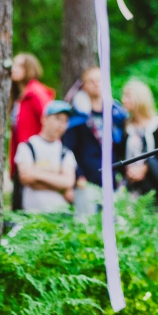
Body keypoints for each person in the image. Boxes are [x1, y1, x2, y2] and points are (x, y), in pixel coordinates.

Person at [63, 66, 129, 217]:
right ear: (84, 85)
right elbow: (68, 148)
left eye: (100, 80)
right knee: (86, 227)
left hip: (114, 182)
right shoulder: (77, 116)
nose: (96, 84)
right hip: (86, 182)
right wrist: (77, 175)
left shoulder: (117, 115)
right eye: (91, 81)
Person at [9, 54, 56, 211]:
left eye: (19, 66)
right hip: (21, 159)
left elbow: (50, 122)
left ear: (29, 68)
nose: (13, 69)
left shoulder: (36, 93)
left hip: (35, 159)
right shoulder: (18, 98)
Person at [14, 101, 78, 214]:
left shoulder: (66, 153)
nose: (61, 124)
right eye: (57, 118)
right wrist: (60, 187)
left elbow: (68, 182)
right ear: (44, 119)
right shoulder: (27, 147)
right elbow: (26, 178)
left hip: (59, 218)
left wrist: (36, 175)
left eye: (65, 121)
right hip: (30, 216)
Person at [121, 79, 158, 215]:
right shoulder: (125, 126)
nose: (123, 100)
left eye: (128, 96)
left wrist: (145, 168)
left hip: (155, 189)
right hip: (131, 189)